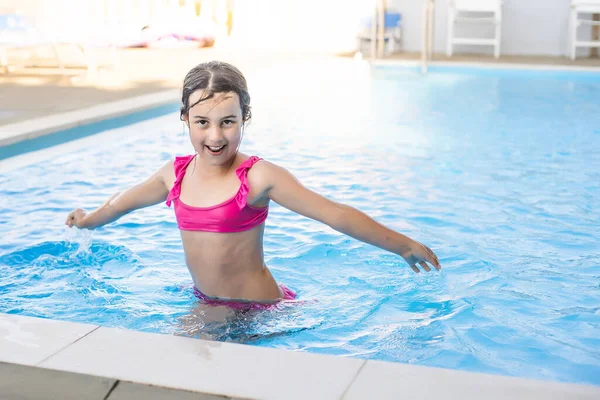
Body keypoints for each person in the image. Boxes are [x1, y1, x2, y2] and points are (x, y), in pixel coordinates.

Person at [66, 61, 441, 310]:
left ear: (244, 118)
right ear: (184, 118)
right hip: (208, 301)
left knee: (182, 356)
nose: (215, 136)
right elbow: (120, 205)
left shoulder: (258, 177)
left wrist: (401, 245)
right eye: (202, 123)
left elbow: (334, 214)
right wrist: (86, 220)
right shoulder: (175, 175)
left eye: (228, 122)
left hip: (259, 309)